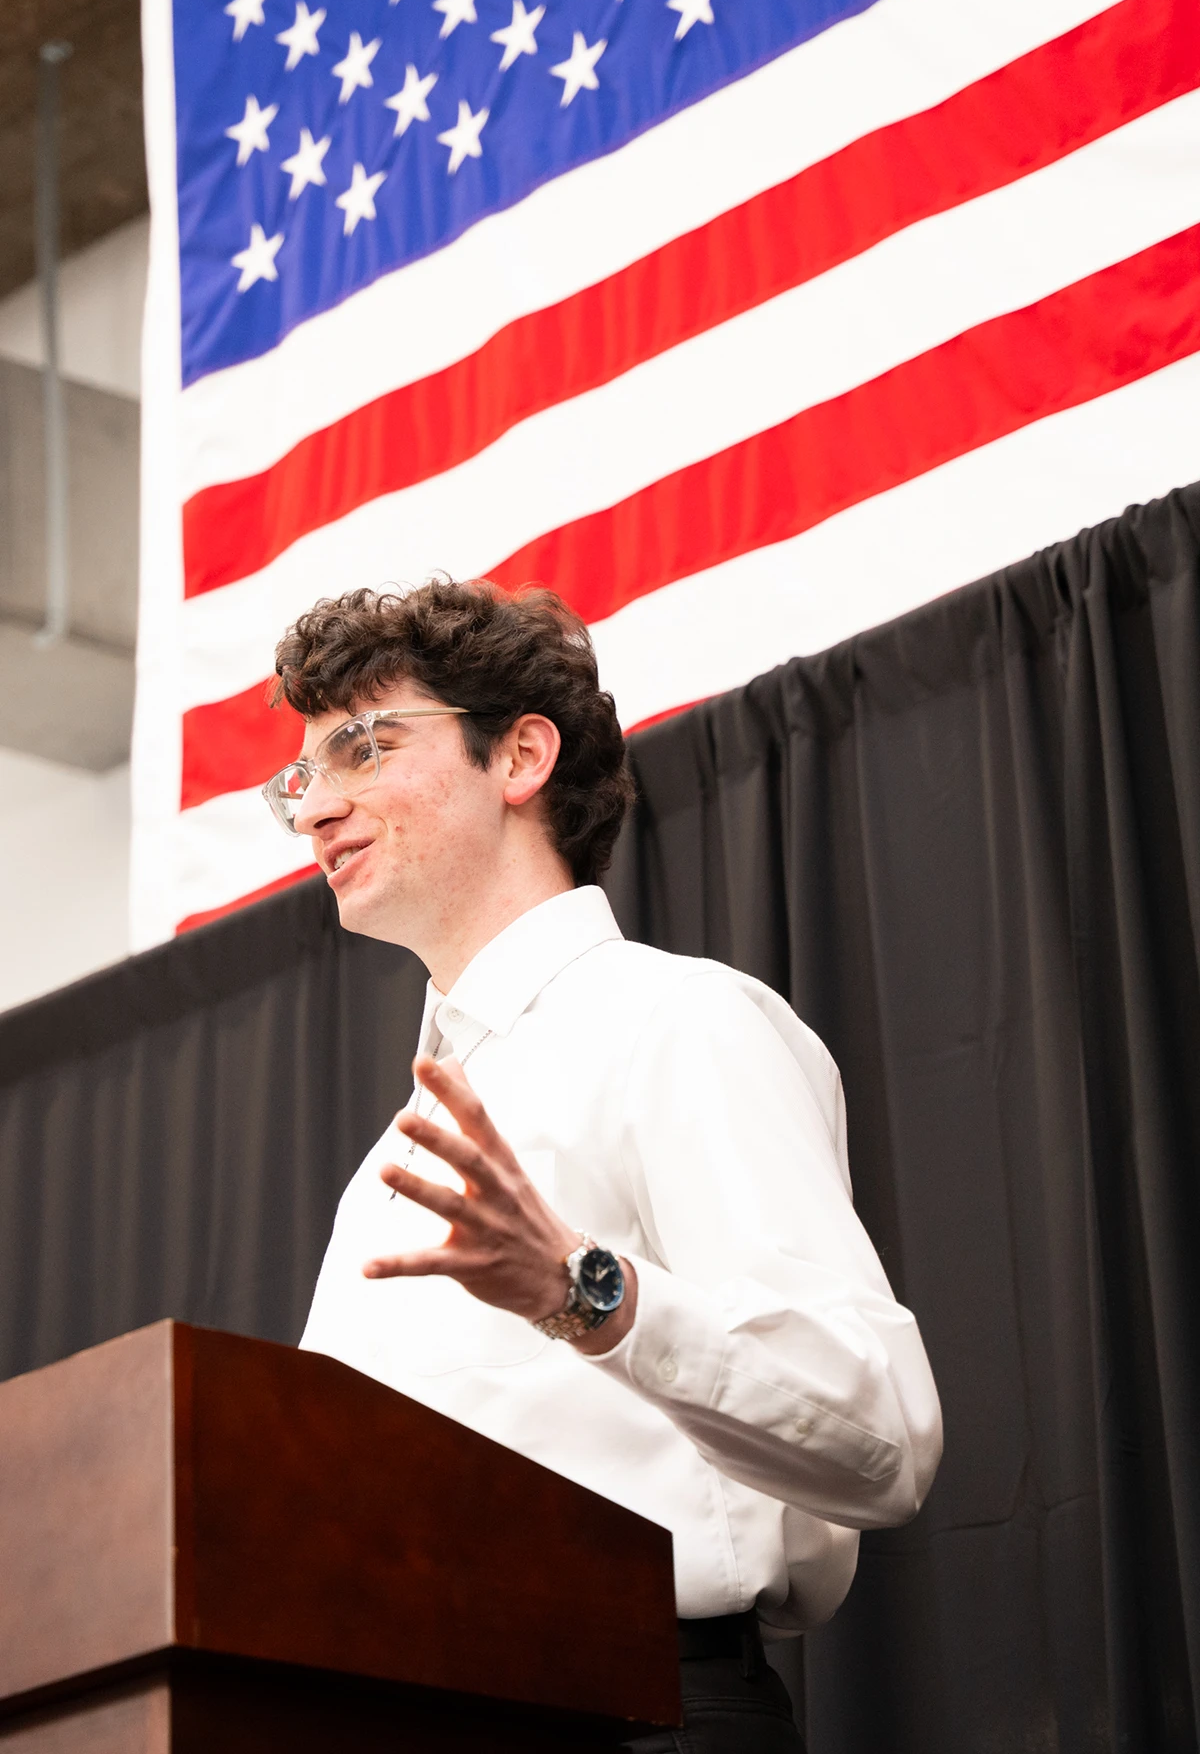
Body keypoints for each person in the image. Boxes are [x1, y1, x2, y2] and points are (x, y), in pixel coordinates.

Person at [265, 579, 942, 1753]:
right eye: (302, 778)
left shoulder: (682, 1022)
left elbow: (879, 1430)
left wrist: (582, 1290)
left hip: (641, 1712)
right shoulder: (379, 1173)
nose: (317, 808)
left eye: (363, 748)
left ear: (521, 754)